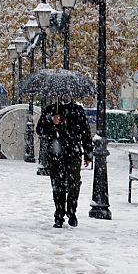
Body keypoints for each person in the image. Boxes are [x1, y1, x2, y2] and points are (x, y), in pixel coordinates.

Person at [36, 93, 93, 228]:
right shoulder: (51, 110)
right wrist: (51, 122)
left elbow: (85, 132)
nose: (65, 97)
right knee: (58, 185)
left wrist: (88, 153)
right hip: (56, 153)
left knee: (74, 184)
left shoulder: (77, 111)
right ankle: (59, 214)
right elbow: (40, 130)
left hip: (73, 153)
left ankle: (71, 211)